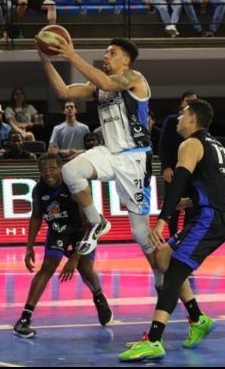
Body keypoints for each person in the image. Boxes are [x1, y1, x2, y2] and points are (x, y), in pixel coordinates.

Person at [119, 99, 225, 361]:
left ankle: (153, 339)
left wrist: (163, 220)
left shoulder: (191, 144)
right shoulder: (217, 145)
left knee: (174, 272)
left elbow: (178, 183)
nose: (177, 119)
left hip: (211, 217)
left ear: (194, 118)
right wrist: (190, 202)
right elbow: (218, 185)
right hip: (215, 213)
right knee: (163, 258)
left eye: (183, 114)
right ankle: (198, 319)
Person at [40, 37, 164, 294]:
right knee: (69, 170)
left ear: (125, 60)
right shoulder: (97, 86)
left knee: (141, 234)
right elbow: (63, 92)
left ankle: (161, 278)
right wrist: (45, 58)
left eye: (112, 53)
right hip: (109, 153)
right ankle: (97, 222)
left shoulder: (134, 78)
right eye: (106, 53)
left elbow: (107, 81)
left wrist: (71, 55)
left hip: (136, 159)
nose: (105, 57)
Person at [13, 153, 113, 338]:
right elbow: (36, 217)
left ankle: (98, 297)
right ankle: (24, 319)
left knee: (85, 269)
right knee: (47, 267)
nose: (47, 172)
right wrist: (29, 247)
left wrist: (74, 258)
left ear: (61, 168)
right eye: (43, 169)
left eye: (52, 168)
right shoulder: (39, 189)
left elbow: (89, 224)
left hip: (81, 231)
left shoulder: (73, 186)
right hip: (58, 231)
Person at [159, 90, 199, 237]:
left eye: (194, 101)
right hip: (174, 170)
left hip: (192, 170)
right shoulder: (172, 120)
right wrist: (166, 166)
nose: (191, 104)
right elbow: (164, 145)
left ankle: (185, 235)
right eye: (188, 101)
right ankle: (172, 236)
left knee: (191, 205)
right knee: (173, 204)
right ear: (182, 103)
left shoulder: (198, 123)